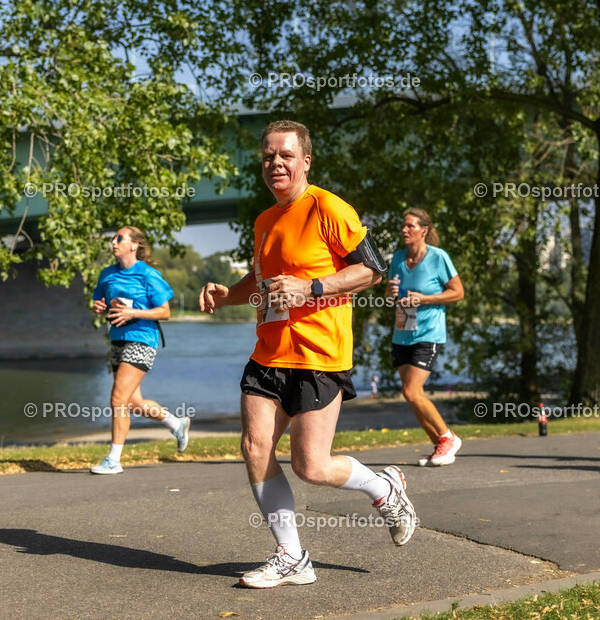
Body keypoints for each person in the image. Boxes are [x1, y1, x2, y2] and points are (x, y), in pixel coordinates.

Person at [198, 120, 417, 588]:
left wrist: (312, 287)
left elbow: (372, 270)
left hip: (319, 355)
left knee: (310, 466)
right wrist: (226, 295)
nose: (276, 163)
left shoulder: (328, 207)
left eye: (285, 155)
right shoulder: (263, 220)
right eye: (268, 156)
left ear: (305, 161)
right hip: (268, 354)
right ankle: (291, 558)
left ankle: (384, 487)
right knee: (255, 448)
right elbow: (261, 285)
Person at [89, 226, 189, 474]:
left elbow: (165, 311)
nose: (113, 242)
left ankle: (113, 460)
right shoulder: (107, 274)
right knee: (133, 402)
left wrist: (134, 312)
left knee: (117, 399)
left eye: (119, 238)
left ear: (134, 245)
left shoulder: (148, 274)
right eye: (113, 238)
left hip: (143, 340)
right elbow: (98, 303)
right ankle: (176, 423)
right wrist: (99, 307)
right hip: (117, 339)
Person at [386, 208, 465, 466]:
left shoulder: (438, 257)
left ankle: (448, 437)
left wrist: (426, 299)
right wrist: (389, 292)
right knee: (409, 395)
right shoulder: (397, 258)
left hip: (428, 333)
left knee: (412, 390)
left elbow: (457, 293)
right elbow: (392, 298)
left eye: (410, 226)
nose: (405, 230)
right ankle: (439, 445)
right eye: (403, 225)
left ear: (424, 230)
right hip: (402, 332)